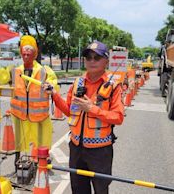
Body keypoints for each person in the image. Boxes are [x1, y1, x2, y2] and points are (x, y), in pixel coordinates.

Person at [43, 40, 124, 194]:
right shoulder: (77, 83)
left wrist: (92, 109)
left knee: (101, 190)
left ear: (106, 61)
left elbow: (118, 117)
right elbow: (69, 111)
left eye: (97, 57)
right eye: (88, 57)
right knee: (78, 189)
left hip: (100, 151)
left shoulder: (113, 86)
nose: (92, 61)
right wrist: (54, 94)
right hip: (76, 148)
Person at [0, 35, 58, 160]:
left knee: (41, 144)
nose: (25, 56)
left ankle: (42, 163)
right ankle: (19, 163)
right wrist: (3, 74)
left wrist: (50, 85)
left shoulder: (44, 71)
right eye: (23, 54)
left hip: (39, 118)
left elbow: (53, 83)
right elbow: (3, 80)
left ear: (34, 54)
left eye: (28, 54)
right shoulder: (15, 71)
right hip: (20, 117)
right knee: (20, 145)